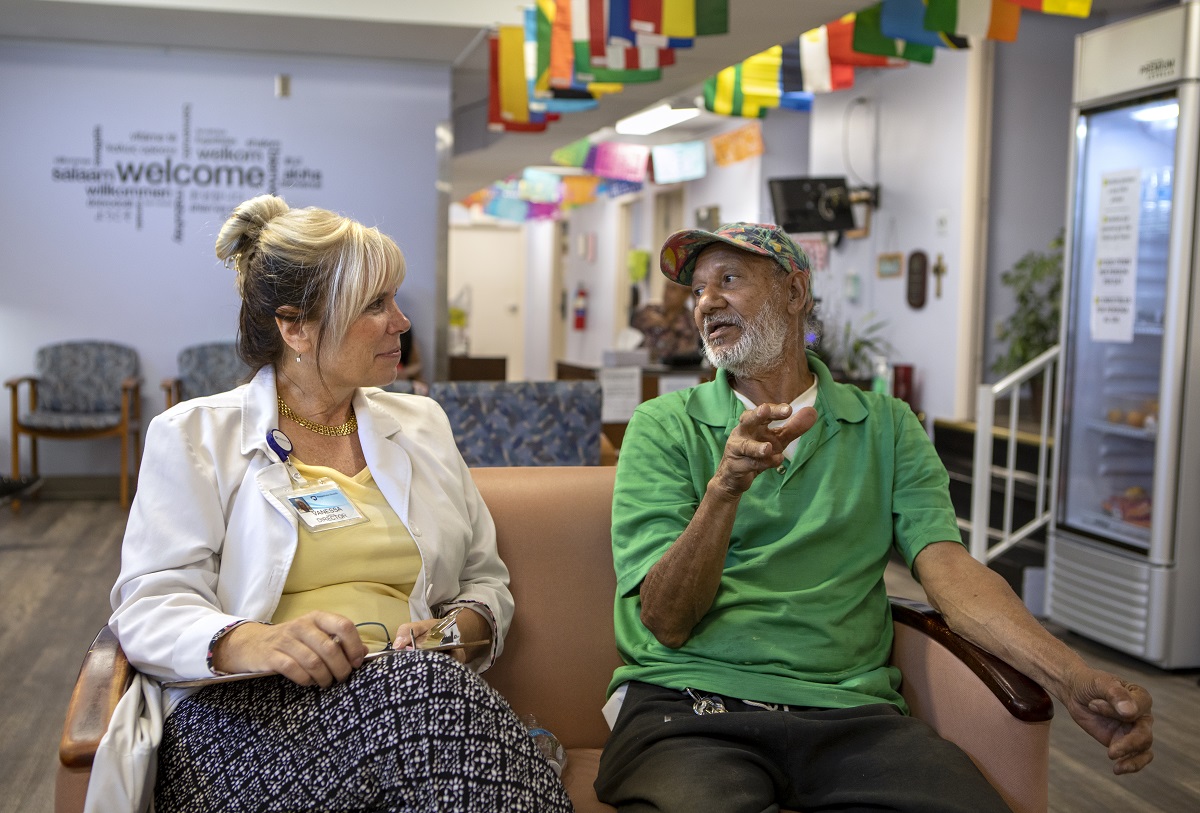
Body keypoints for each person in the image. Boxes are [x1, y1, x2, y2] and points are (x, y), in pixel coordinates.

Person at [595, 222, 1154, 813]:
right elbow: (665, 620)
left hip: (850, 713)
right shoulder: (662, 426)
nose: (707, 301)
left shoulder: (888, 426)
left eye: (728, 279)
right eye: (698, 290)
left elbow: (950, 575)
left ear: (794, 292)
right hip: (691, 705)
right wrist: (725, 488)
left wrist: (1070, 678)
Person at [98, 194, 573, 813]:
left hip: (409, 692)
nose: (402, 323)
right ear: (295, 327)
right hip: (246, 717)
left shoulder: (422, 423)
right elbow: (147, 606)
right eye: (375, 305)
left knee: (429, 702)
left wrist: (461, 629)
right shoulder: (193, 436)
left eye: (395, 300)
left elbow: (485, 580)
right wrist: (258, 641)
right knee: (435, 707)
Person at [630, 280, 701, 365]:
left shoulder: (690, 321)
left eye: (673, 289)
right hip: (643, 368)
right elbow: (633, 325)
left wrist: (665, 325)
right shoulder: (650, 310)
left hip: (673, 372)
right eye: (666, 287)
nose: (667, 293)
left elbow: (685, 352)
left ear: (685, 295)